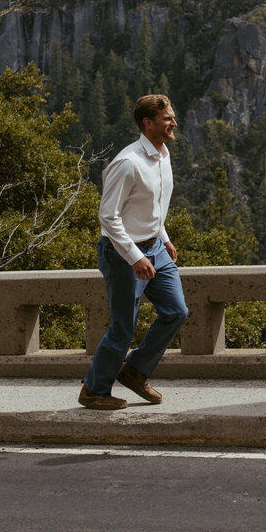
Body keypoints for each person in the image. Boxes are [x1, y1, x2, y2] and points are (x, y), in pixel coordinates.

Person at [78, 94, 187, 410]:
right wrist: (135, 257)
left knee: (176, 311)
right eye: (168, 119)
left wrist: (163, 237)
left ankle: (135, 371)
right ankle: (94, 389)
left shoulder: (162, 155)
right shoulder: (128, 163)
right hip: (123, 253)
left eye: (173, 117)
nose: (174, 124)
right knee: (124, 327)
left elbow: (151, 206)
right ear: (148, 123)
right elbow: (108, 216)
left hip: (155, 248)